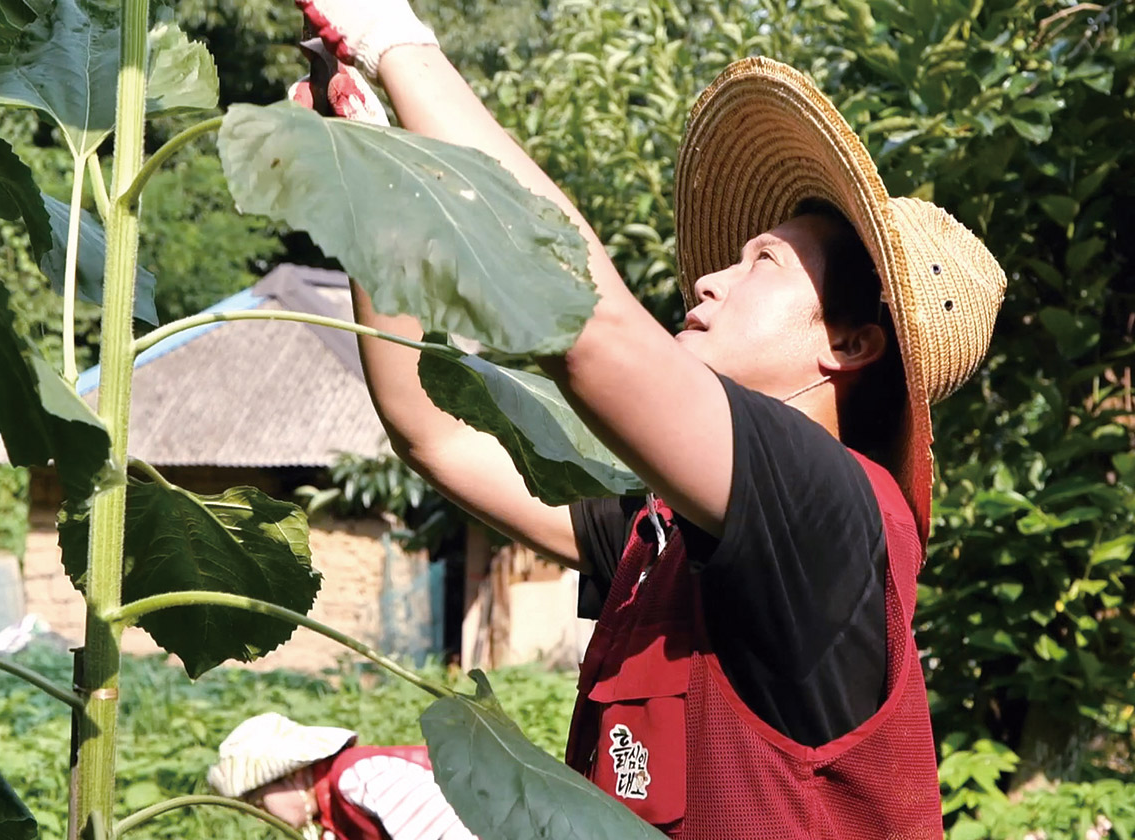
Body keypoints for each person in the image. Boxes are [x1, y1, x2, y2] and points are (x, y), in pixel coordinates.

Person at [287, 2, 1008, 836]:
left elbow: (591, 332)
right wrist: (374, 177)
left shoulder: (827, 511)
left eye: (763, 262)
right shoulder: (663, 530)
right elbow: (437, 435)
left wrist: (394, 39)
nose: (709, 280)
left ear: (849, 345)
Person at [207, 712, 477, 840]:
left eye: (258, 803)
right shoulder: (333, 816)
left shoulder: (360, 777)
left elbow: (456, 833)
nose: (259, 817)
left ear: (292, 774)